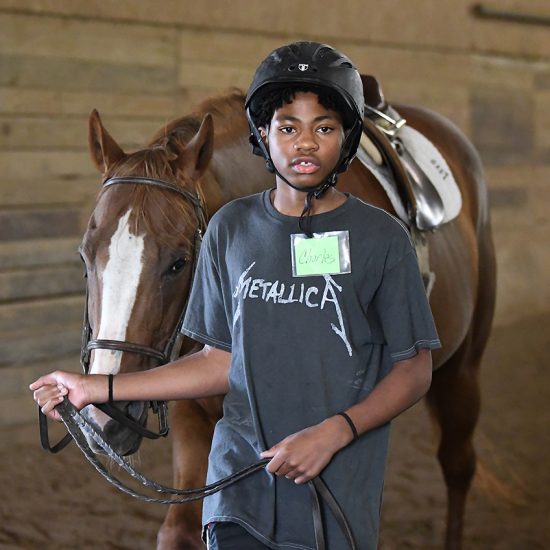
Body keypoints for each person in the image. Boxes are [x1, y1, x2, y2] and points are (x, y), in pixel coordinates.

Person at [31, 41, 441, 550]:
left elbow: (415, 367)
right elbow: (219, 360)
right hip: (235, 503)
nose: (305, 144)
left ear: (347, 137)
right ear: (262, 136)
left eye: (325, 128)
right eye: (288, 127)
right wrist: (98, 389)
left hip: (333, 498)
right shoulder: (227, 229)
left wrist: (336, 431)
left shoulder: (381, 240)